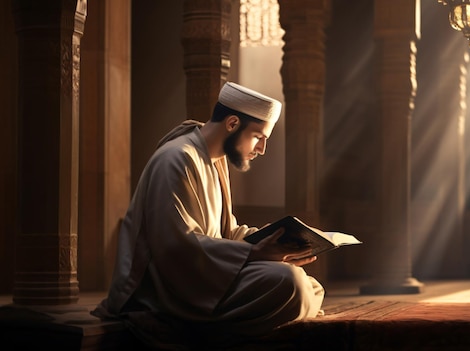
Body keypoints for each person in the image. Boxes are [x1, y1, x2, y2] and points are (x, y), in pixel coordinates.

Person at [92, 82, 325, 349]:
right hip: (169, 289)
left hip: (209, 272)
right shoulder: (175, 158)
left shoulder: (214, 161)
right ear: (233, 123)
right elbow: (176, 247)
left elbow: (225, 231)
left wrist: (270, 238)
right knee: (290, 283)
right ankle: (199, 335)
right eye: (259, 137)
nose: (261, 149)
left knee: (310, 285)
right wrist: (256, 253)